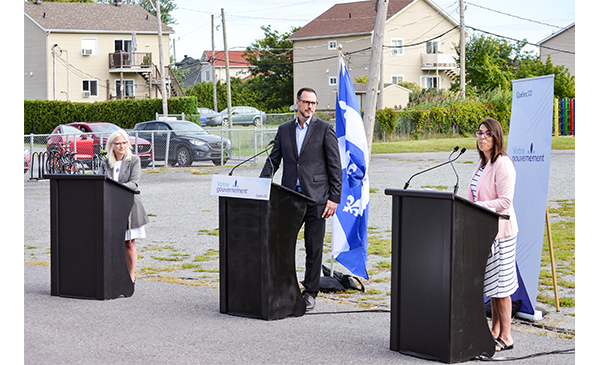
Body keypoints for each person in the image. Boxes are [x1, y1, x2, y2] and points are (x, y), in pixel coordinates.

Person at [260, 87, 342, 311]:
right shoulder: (284, 130)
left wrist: (334, 198)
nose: (310, 107)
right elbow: (273, 161)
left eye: (314, 103)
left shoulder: (325, 129)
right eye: (306, 102)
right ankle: (283, 287)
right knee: (282, 246)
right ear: (297, 103)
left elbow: (335, 167)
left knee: (314, 249)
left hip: (316, 200)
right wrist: (260, 184)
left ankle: (310, 292)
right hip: (289, 199)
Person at [467, 118, 519, 352]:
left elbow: (506, 201)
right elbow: (472, 197)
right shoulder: (482, 164)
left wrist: (480, 208)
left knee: (502, 287)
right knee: (495, 288)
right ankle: (495, 330)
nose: (481, 137)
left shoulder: (503, 163)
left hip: (502, 233)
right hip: (484, 232)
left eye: (487, 134)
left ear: (496, 137)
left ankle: (506, 336)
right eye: (479, 133)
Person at [99, 129, 150, 283]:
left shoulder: (134, 160)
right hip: (111, 207)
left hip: (129, 206)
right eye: (118, 143)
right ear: (111, 145)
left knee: (129, 242)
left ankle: (131, 276)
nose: (121, 146)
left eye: (124, 143)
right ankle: (113, 275)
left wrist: (115, 188)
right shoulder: (105, 163)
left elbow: (134, 183)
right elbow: (99, 181)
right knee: (112, 243)